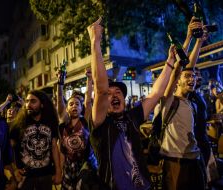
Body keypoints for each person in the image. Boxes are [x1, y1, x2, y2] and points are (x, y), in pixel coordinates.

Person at [87, 18, 176, 190]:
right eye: (110, 93)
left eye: (118, 92)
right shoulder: (100, 124)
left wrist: (170, 62)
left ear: (124, 99)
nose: (113, 95)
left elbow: (156, 93)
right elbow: (101, 90)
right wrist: (95, 42)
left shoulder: (132, 117)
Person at [159, 18, 208, 190]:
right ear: (177, 81)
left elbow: (189, 66)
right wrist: (188, 38)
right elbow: (182, 66)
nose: (192, 79)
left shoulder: (191, 102)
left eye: (194, 77)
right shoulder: (169, 100)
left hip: (195, 159)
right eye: (188, 76)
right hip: (175, 162)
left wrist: (199, 42)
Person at [10, 90, 61, 190]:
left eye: (33, 101)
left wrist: (58, 171)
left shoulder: (50, 121)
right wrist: (15, 169)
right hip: (25, 176)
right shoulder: (18, 124)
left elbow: (54, 147)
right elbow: (10, 147)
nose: (28, 104)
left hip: (45, 174)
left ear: (42, 104)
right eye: (27, 101)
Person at [56, 69, 97, 190]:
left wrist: (89, 79)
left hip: (86, 164)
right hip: (69, 166)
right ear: (67, 109)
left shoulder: (85, 121)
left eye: (77, 104)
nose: (74, 106)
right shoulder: (63, 125)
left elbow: (88, 101)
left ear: (81, 109)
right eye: (71, 104)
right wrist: (60, 82)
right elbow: (62, 152)